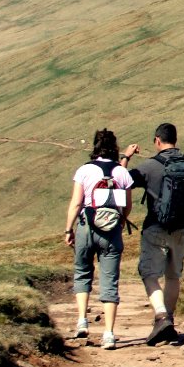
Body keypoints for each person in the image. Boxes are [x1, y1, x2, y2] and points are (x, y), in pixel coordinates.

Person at [126, 122, 184, 346]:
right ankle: (169, 322)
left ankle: (162, 317)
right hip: (183, 228)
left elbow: (121, 182)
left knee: (149, 274)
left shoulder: (149, 166)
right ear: (175, 140)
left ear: (157, 141)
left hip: (156, 227)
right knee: (173, 276)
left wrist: (126, 157)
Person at [64, 129, 136, 350]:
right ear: (114, 147)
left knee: (83, 272)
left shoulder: (84, 170)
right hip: (112, 230)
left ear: (95, 147)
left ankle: (82, 321)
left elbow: (77, 203)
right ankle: (109, 334)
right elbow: (128, 205)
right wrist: (121, 222)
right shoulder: (122, 173)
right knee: (110, 280)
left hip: (87, 224)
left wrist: (68, 229)